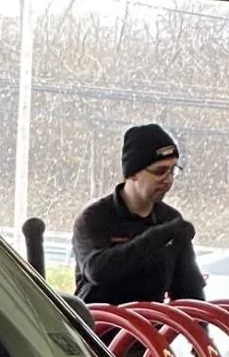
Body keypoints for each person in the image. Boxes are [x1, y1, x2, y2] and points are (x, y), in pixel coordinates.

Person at [71, 123, 206, 305]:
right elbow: (98, 271)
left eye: (173, 170)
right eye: (159, 171)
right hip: (96, 330)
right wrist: (159, 236)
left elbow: (188, 291)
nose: (168, 180)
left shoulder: (170, 220)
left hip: (147, 330)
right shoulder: (94, 218)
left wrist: (200, 331)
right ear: (133, 173)